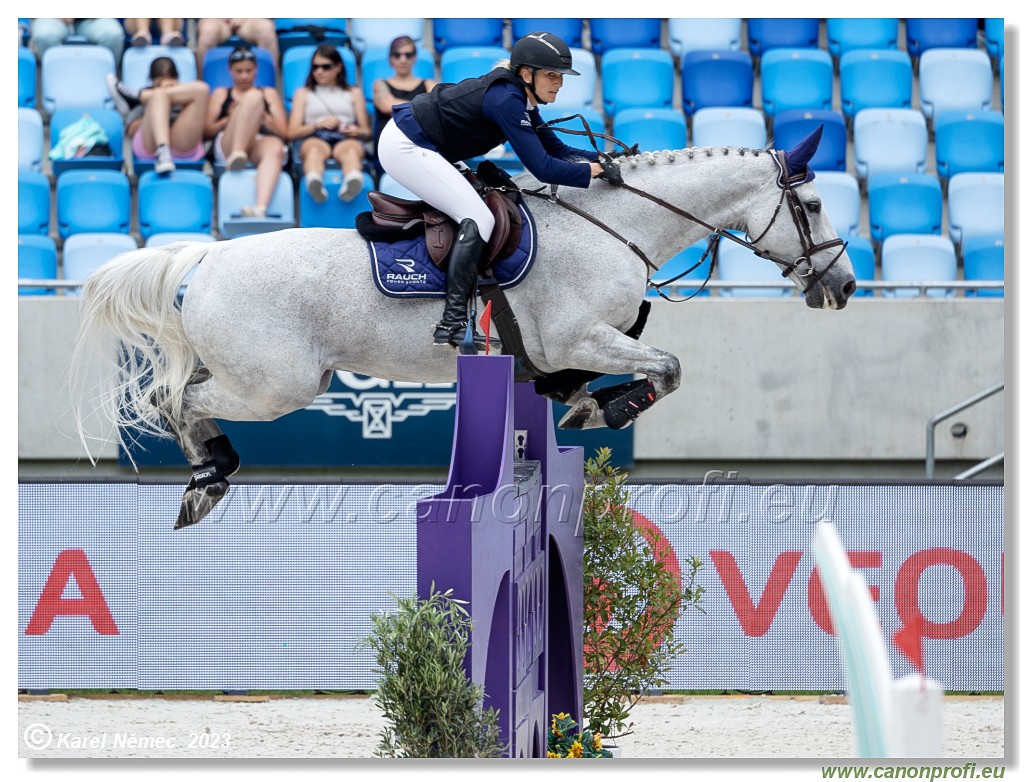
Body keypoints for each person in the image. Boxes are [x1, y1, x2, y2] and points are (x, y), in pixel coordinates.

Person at [376, 32, 618, 350]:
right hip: (405, 145)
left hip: (430, 146)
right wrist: (595, 172)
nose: (558, 83)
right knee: (478, 217)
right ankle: (452, 320)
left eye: (561, 76)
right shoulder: (506, 99)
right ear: (526, 74)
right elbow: (543, 168)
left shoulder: (520, 97)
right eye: (551, 75)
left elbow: (555, 147)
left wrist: (601, 157)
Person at [205, 47, 289, 218]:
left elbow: (285, 133)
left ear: (256, 70)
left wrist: (262, 116)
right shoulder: (221, 93)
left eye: (248, 71)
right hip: (228, 142)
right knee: (253, 97)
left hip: (257, 142)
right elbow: (206, 132)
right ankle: (237, 153)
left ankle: (260, 207)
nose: (244, 76)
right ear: (230, 71)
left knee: (276, 147)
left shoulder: (269, 93)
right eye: (239, 71)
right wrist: (230, 117)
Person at [288, 44, 371, 204]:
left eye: (326, 67)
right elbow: (291, 133)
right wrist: (318, 125)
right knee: (313, 150)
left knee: (351, 151)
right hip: (314, 136)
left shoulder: (353, 92)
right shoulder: (303, 93)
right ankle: (314, 183)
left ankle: (352, 181)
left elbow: (366, 132)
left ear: (338, 67)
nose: (319, 71)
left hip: (346, 138)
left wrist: (356, 130)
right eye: (315, 67)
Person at [106, 57, 209, 175]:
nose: (164, 85)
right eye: (158, 83)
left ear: (177, 79)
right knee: (159, 95)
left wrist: (176, 97)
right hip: (151, 145)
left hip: (182, 143)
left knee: (202, 89)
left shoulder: (189, 93)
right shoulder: (151, 92)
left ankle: (138, 97)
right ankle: (163, 152)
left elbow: (204, 130)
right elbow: (131, 130)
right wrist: (160, 109)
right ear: (151, 80)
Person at [371, 36, 436, 156]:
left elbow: (435, 110)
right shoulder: (380, 84)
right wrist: (423, 107)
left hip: (422, 148)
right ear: (390, 58)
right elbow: (386, 106)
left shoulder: (429, 84)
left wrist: (396, 103)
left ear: (415, 58)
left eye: (408, 55)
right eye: (397, 55)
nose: (403, 59)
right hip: (388, 149)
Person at [195, 18, 277, 73]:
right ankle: (204, 88)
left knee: (266, 30)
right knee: (208, 33)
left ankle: (268, 91)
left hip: (250, 19)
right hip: (214, 19)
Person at [30, 18, 125, 60]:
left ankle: (104, 81)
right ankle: (58, 78)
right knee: (44, 34)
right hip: (53, 19)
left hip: (91, 20)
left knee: (113, 34)